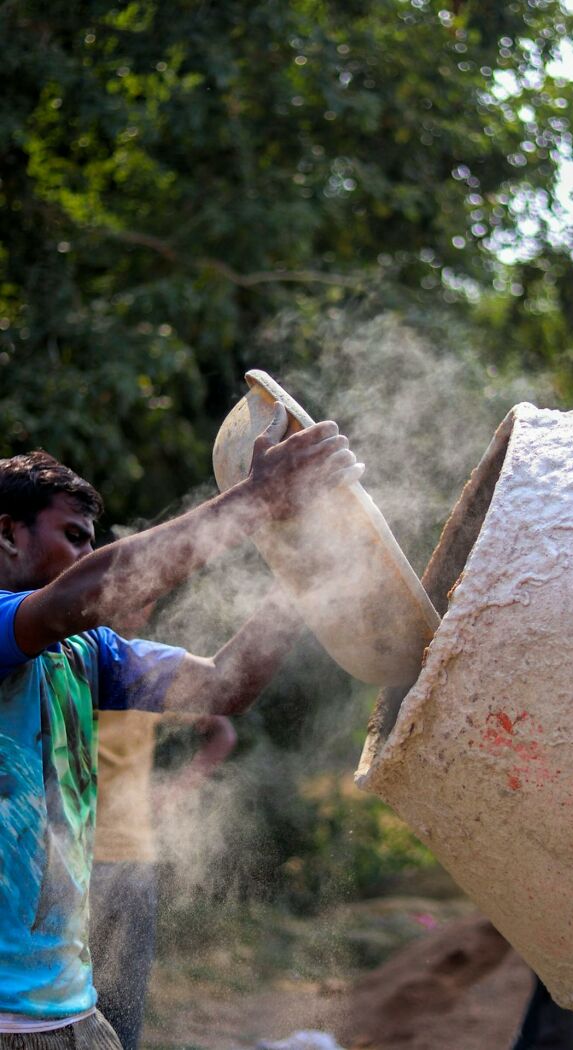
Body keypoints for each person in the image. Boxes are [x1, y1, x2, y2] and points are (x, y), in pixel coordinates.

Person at [0, 403, 362, 1048]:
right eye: (76, 536)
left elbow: (227, 685)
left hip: (69, 1007)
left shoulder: (88, 653)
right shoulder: (22, 623)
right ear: (8, 534)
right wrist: (255, 501)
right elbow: (74, 600)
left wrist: (304, 580)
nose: (91, 551)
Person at [91, 707, 237, 1050]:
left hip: (129, 864)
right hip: (58, 864)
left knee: (118, 1010)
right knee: (52, 1008)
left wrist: (173, 792)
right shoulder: (50, 663)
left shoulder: (136, 666)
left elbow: (221, 730)